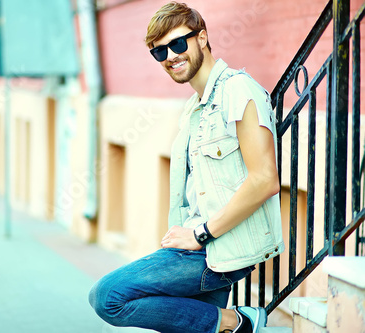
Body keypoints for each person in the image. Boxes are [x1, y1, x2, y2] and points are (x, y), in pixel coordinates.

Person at [89, 2, 285, 332]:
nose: (170, 56)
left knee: (107, 296)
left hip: (215, 247)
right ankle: (230, 326)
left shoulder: (238, 90)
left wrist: (198, 234)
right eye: (159, 51)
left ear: (203, 37)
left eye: (178, 43)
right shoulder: (195, 109)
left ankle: (236, 321)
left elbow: (265, 179)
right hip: (197, 245)